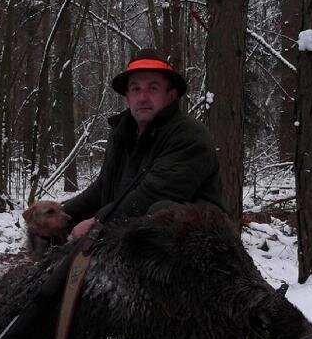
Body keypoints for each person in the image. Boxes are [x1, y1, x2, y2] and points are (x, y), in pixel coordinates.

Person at [61, 48, 224, 237]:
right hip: (135, 234)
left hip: (199, 245)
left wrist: (98, 222)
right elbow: (101, 189)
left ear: (170, 95)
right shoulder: (122, 134)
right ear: (127, 97)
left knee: (162, 211)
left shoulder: (189, 137)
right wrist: (62, 214)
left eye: (153, 88)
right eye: (136, 89)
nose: (142, 97)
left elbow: (151, 196)